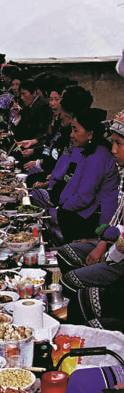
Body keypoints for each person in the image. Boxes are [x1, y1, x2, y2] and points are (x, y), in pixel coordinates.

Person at [57, 110, 124, 319]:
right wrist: (103, 243)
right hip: (113, 242)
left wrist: (107, 247)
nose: (114, 149)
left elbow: (85, 197)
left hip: (119, 257)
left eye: (119, 144)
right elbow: (119, 217)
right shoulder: (90, 153)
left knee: (71, 285)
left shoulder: (98, 156)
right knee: (65, 253)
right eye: (113, 142)